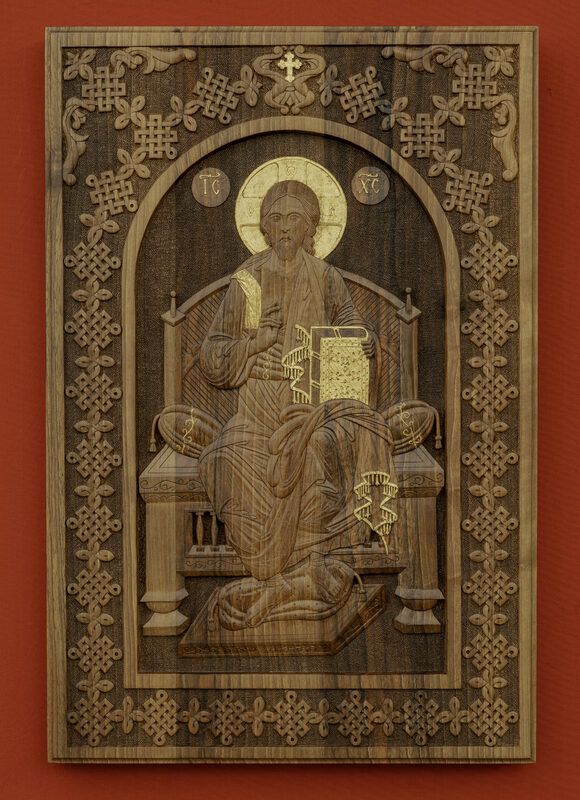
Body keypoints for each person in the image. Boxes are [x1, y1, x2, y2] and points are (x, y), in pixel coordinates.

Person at [198, 180, 397, 630]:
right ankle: (285, 576)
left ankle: (301, 571)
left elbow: (352, 328)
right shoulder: (247, 283)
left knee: (313, 453)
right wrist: (252, 345)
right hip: (256, 408)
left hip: (314, 403)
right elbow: (211, 353)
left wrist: (365, 342)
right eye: (276, 218)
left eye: (295, 219)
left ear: (311, 227)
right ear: (264, 227)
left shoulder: (327, 277)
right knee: (219, 461)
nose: (285, 227)